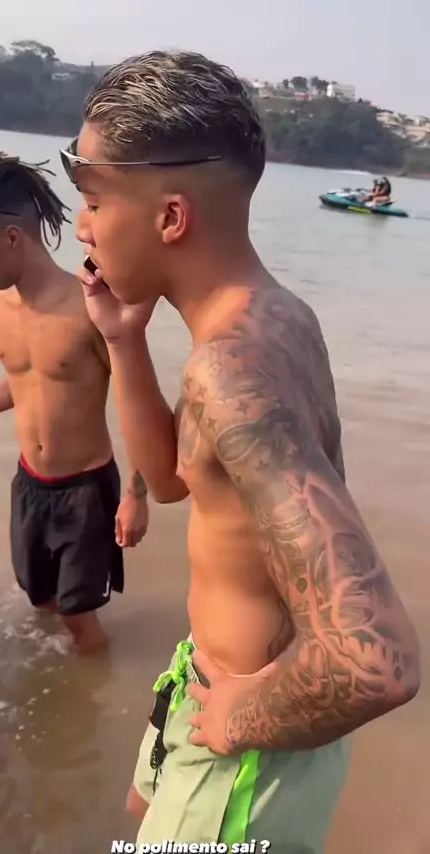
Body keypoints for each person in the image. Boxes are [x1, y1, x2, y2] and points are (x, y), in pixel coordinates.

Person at [63, 51, 420, 847]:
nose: (82, 227)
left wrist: (238, 722)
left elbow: (376, 660)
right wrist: (123, 341)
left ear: (170, 218)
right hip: (208, 678)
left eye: (92, 201)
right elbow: (174, 481)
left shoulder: (231, 370)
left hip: (250, 741)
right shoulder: (273, 315)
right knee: (138, 816)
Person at [0, 153, 149, 654]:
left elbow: (139, 403)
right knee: (40, 598)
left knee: (80, 617)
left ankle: (96, 684)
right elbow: (26, 381)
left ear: (12, 237)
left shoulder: (91, 309)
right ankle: (64, 692)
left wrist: (136, 493)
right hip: (29, 485)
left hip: (85, 491)